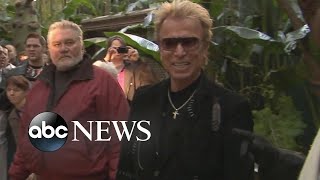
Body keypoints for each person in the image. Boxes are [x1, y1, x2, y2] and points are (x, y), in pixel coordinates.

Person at [116, 0, 254, 180]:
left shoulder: (231, 108)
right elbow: (126, 167)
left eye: (189, 42)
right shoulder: (144, 99)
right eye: (169, 43)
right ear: (160, 47)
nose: (179, 52)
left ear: (204, 46)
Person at [9, 20, 129, 180]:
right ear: (49, 49)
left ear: (81, 45)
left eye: (69, 42)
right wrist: (15, 175)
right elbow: (27, 139)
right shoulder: (39, 88)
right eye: (57, 44)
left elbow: (119, 139)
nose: (63, 49)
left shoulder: (102, 82)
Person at [103, 35, 159, 103]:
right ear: (108, 50)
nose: (117, 51)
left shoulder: (132, 68)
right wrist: (106, 60)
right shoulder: (103, 69)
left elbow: (149, 84)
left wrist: (139, 62)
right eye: (114, 49)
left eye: (120, 49)